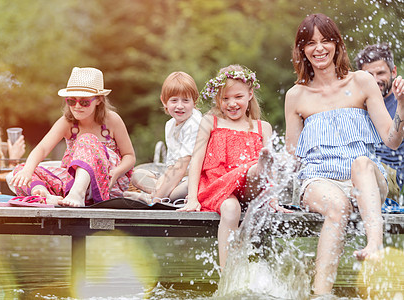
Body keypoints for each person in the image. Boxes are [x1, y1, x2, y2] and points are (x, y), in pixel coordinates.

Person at [284, 13, 404, 296]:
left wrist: (401, 105)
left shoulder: (362, 81)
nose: (319, 48)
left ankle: (374, 245)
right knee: (337, 207)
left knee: (361, 163)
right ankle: (321, 293)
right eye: (311, 43)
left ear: (337, 45)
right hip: (319, 180)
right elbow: (292, 157)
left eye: (326, 40)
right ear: (302, 50)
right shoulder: (296, 96)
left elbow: (392, 141)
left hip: (365, 179)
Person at [179, 64, 290, 269]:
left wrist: (273, 199)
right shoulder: (210, 122)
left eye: (238, 97)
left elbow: (271, 177)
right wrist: (193, 198)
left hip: (252, 188)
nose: (231, 104)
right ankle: (228, 279)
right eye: (225, 98)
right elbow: (196, 161)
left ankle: (260, 165)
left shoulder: (261, 127)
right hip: (219, 185)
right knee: (230, 210)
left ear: (250, 94)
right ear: (218, 99)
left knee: (256, 170)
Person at [10, 67, 135, 207]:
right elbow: (43, 148)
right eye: (71, 101)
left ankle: (78, 194)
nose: (77, 106)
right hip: (72, 183)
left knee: (87, 139)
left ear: (99, 100)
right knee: (21, 170)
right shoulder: (67, 122)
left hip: (107, 181)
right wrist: (27, 171)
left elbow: (129, 155)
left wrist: (116, 172)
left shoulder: (112, 120)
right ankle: (44, 195)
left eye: (84, 102)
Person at [124, 71, 202, 203]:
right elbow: (172, 165)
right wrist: (162, 181)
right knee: (136, 175)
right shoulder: (170, 125)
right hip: (176, 177)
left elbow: (182, 166)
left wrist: (156, 197)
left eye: (186, 100)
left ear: (195, 102)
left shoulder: (195, 123)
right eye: (174, 100)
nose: (179, 106)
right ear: (164, 101)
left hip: (194, 179)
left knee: (188, 188)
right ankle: (161, 194)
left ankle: (154, 199)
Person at [355, 43, 404, 199]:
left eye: (381, 73)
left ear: (393, 71)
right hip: (353, 172)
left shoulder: (401, 101)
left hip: (388, 179)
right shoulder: (355, 103)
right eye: (369, 75)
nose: (375, 80)